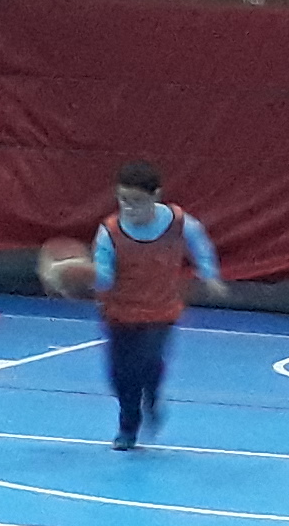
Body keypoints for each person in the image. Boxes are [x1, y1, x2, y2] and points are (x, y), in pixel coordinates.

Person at [92, 159, 230, 452]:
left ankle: (146, 404)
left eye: (137, 201)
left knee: (149, 361)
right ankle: (130, 418)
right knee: (121, 375)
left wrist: (209, 275)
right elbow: (103, 273)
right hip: (119, 313)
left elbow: (200, 244)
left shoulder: (177, 222)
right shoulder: (110, 231)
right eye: (123, 200)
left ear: (155, 196)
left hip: (161, 310)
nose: (129, 208)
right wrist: (84, 279)